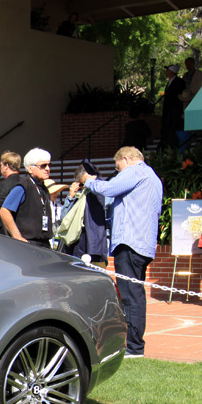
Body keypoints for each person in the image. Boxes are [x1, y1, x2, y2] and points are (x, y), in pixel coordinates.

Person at [80, 146, 163, 357]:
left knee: (130, 297)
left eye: (118, 167)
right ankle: (135, 344)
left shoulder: (135, 172)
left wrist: (88, 180)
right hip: (143, 244)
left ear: (125, 159)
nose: (118, 171)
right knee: (136, 295)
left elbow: (108, 189)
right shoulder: (153, 177)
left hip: (130, 243)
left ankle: (135, 347)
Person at [0, 148, 54, 248]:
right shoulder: (23, 186)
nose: (47, 169)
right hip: (28, 244)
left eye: (49, 165)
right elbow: (4, 211)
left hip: (44, 243)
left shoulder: (43, 188)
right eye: (43, 166)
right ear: (30, 168)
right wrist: (17, 237)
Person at [161, 64, 186, 150]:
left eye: (168, 69)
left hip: (175, 113)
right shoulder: (169, 82)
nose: (166, 71)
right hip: (168, 113)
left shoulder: (179, 82)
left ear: (172, 71)